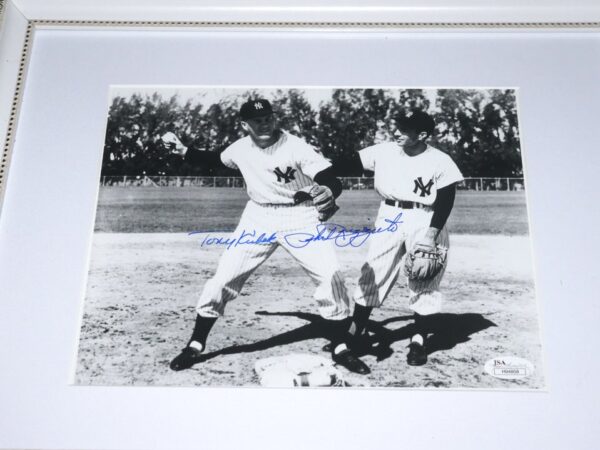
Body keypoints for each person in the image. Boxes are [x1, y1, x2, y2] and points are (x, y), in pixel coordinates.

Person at [161, 98, 370, 374]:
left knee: (331, 277)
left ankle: (342, 348)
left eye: (268, 118)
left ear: (275, 118)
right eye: (257, 120)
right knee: (222, 279)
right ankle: (195, 344)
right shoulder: (239, 148)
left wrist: (331, 190)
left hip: (301, 217)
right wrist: (184, 150)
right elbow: (215, 159)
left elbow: (328, 175)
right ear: (244, 125)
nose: (264, 124)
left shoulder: (295, 146)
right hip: (258, 216)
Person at [341, 110, 463, 366]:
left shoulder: (441, 161)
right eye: (398, 126)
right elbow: (346, 162)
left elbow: (446, 200)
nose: (397, 132)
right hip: (390, 214)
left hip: (426, 217)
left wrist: (431, 235)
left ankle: (418, 340)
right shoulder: (383, 151)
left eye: (404, 129)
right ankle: (357, 331)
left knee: (424, 276)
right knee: (373, 271)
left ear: (422, 135)